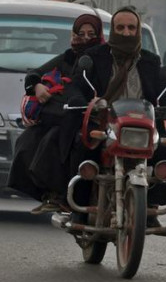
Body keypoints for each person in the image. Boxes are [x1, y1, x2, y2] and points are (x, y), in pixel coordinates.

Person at [66, 5, 166, 226]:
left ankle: (150, 209)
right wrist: (78, 100)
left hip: (142, 127)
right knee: (81, 145)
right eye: (120, 27)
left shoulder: (150, 61)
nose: (126, 32)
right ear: (112, 30)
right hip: (105, 124)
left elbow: (165, 88)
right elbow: (78, 84)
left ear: (138, 30)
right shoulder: (94, 57)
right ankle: (80, 210)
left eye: (131, 27)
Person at [7, 13, 105, 213]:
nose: (86, 38)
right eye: (81, 33)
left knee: (55, 140)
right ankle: (49, 194)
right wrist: (37, 86)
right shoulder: (68, 57)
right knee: (28, 141)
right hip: (65, 112)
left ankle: (64, 194)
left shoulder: (104, 58)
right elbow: (34, 74)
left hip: (93, 116)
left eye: (91, 34)